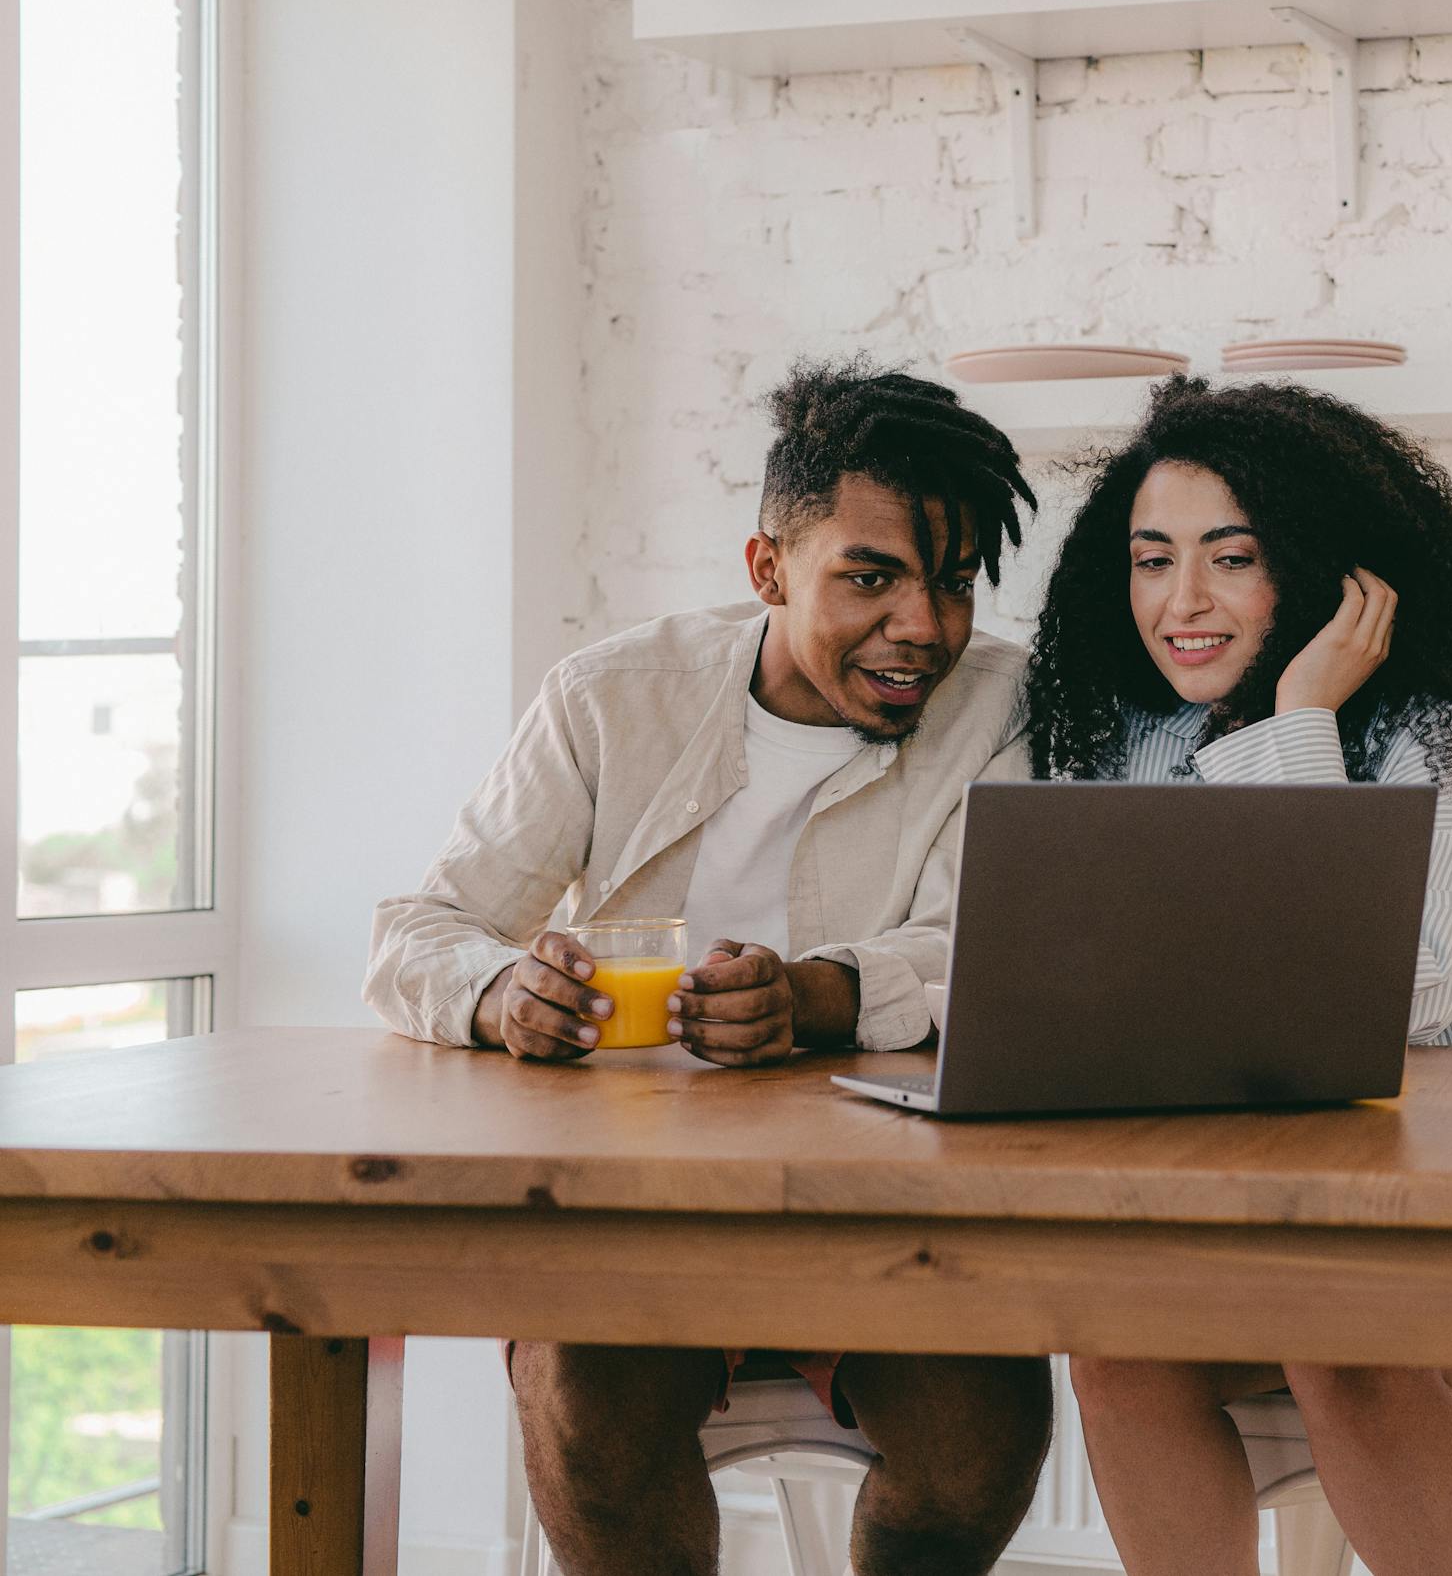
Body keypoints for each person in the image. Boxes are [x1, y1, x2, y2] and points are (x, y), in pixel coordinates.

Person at [364, 359, 1052, 1576]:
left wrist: (824, 994)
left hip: (889, 1212)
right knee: (588, 1412)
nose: (924, 629)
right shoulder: (610, 698)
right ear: (768, 569)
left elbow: (995, 951)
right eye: (871, 577)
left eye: (952, 583)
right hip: (634, 1208)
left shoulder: (1000, 708)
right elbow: (425, 926)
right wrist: (498, 992)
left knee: (981, 1439)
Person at [1022, 376, 1452, 1576]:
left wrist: (1297, 721)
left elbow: (1367, 993)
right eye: (1151, 558)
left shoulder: (1436, 745)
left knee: (1346, 1342)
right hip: (1264, 1228)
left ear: (1332, 579)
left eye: (1230, 558)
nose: (1181, 602)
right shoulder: (1128, 745)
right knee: (1116, 1347)